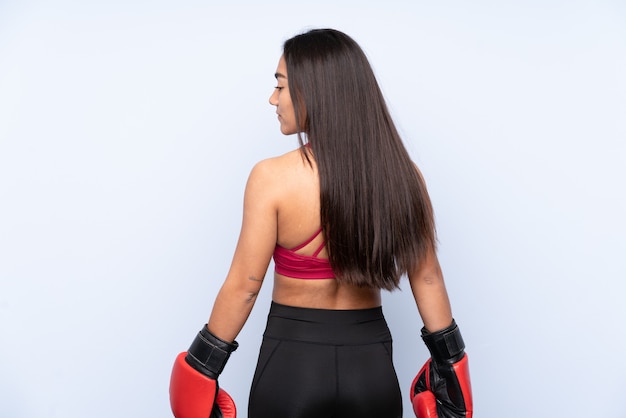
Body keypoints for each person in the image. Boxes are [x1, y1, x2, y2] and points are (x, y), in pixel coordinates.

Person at [169, 28, 473, 418]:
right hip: (370, 367)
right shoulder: (402, 176)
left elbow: (245, 285)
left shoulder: (271, 177)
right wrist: (452, 366)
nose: (272, 99)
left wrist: (201, 367)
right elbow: (427, 277)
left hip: (291, 365)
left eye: (280, 86)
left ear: (313, 91)